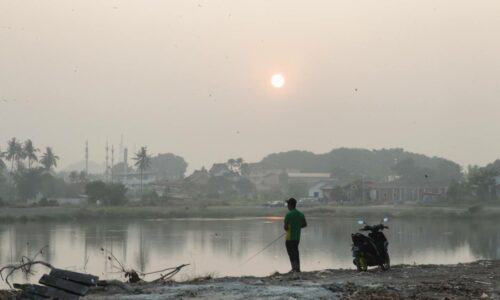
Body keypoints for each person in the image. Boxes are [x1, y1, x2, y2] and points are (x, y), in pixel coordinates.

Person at [284, 197, 307, 272]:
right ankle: (297, 268)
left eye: (288, 204)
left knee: (291, 253)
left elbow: (285, 227)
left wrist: (289, 228)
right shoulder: (300, 214)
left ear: (290, 205)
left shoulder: (288, 215)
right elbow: (304, 224)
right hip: (297, 238)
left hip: (289, 238)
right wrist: (297, 227)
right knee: (296, 252)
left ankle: (294, 268)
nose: (287, 206)